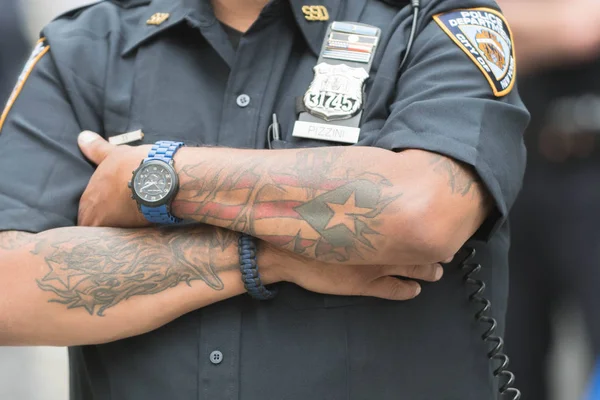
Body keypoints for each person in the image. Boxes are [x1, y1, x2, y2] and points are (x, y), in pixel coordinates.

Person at [0, 0, 529, 399]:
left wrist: (159, 175)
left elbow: (421, 211)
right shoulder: (88, 47)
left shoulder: (428, 23)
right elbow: (9, 290)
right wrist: (268, 255)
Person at [497, 1, 600, 398]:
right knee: (507, 364)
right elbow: (450, 35)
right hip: (513, 174)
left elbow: (580, 28)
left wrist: (497, 30)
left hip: (590, 173)